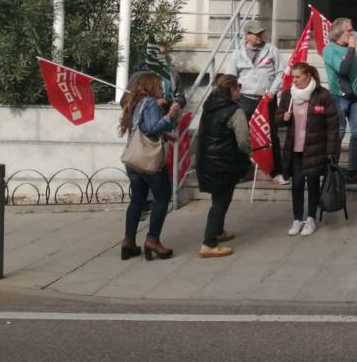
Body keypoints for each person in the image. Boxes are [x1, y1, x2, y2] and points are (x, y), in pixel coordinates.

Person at [118, 72, 182, 261]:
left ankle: (128, 241)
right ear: (150, 86)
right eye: (159, 85)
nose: (162, 89)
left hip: (134, 159)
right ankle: (152, 240)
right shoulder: (151, 103)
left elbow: (142, 128)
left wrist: (167, 135)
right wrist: (170, 115)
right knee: (162, 197)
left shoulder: (135, 102)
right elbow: (151, 128)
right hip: (149, 161)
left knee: (137, 199)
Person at [278, 63, 342, 237]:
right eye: (293, 77)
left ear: (308, 76)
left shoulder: (322, 95)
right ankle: (297, 219)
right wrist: (283, 118)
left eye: (298, 77)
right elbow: (277, 118)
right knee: (297, 184)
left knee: (313, 183)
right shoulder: (288, 95)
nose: (295, 80)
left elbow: (332, 125)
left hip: (316, 148)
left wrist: (331, 150)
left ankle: (311, 218)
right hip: (295, 149)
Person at [194, 74, 251, 259]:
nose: (240, 90)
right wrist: (251, 153)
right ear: (232, 90)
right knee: (220, 202)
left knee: (219, 198)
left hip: (207, 159)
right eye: (238, 87)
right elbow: (243, 141)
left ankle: (218, 231)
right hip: (224, 162)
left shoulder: (210, 105)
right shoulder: (235, 111)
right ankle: (209, 243)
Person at [323, 17, 357, 185]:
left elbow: (350, 73)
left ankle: (353, 169)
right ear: (339, 33)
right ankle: (332, 168)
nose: (352, 33)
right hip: (339, 96)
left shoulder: (350, 50)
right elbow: (342, 70)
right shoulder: (330, 50)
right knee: (339, 133)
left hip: (355, 96)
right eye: (349, 30)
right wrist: (351, 49)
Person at [229, 20, 280, 119]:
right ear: (247, 35)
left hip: (267, 99)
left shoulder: (272, 50)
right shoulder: (237, 53)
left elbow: (281, 73)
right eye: (256, 34)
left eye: (261, 33)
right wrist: (234, 95)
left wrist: (272, 91)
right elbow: (231, 77)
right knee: (244, 130)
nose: (260, 36)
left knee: (269, 131)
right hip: (244, 99)